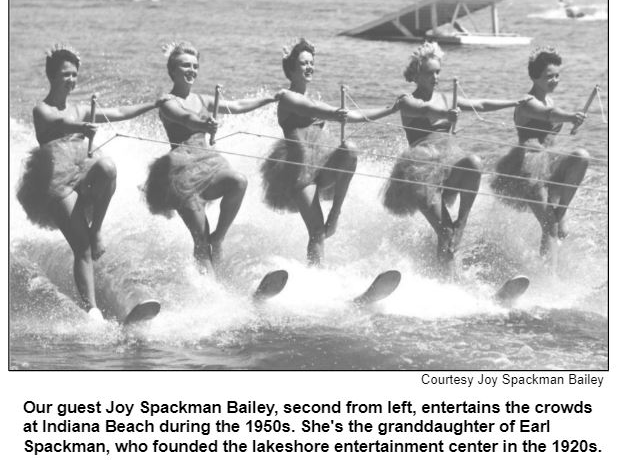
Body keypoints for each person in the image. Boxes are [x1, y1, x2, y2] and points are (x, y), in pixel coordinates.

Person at [16, 44, 165, 320]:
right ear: (51, 76)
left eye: (74, 74)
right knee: (81, 247)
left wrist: (153, 104)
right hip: (56, 185)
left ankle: (97, 229)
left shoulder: (81, 109)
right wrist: (80, 128)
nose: (70, 80)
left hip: (82, 174)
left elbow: (119, 111)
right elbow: (56, 122)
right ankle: (92, 311)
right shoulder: (41, 109)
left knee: (107, 166)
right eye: (64, 74)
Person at [383, 41, 527, 277]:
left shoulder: (447, 98)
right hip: (420, 174)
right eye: (430, 73)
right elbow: (424, 111)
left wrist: (516, 102)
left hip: (449, 168)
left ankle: (462, 222)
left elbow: (481, 104)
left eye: (438, 71)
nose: (436, 77)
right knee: (444, 230)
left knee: (473, 163)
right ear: (417, 74)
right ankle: (447, 280)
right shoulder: (406, 100)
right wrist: (445, 114)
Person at [144, 41, 281, 274]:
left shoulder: (203, 99)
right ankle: (211, 291)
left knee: (238, 182)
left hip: (208, 165)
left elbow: (237, 106)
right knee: (200, 238)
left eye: (195, 66)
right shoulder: (167, 102)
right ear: (173, 71)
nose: (192, 71)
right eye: (185, 66)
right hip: (180, 174)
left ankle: (219, 238)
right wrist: (204, 123)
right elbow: (186, 119)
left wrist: (269, 99)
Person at [261, 38, 399, 266]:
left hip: (322, 165)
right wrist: (335, 113)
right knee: (316, 231)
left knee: (350, 150)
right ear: (292, 68)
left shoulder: (315, 101)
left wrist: (390, 109)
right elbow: (316, 110)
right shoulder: (286, 97)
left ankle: (335, 214)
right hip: (298, 173)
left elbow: (352, 115)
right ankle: (316, 278)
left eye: (311, 63)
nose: (309, 67)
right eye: (304, 63)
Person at [491, 47, 588, 262]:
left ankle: (561, 212)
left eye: (557, 75)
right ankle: (547, 280)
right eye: (549, 76)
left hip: (550, 165)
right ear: (535, 77)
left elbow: (552, 114)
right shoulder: (527, 102)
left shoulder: (551, 101)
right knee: (549, 225)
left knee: (581, 156)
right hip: (527, 169)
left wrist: (570, 120)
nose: (555, 80)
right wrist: (571, 117)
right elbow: (548, 115)